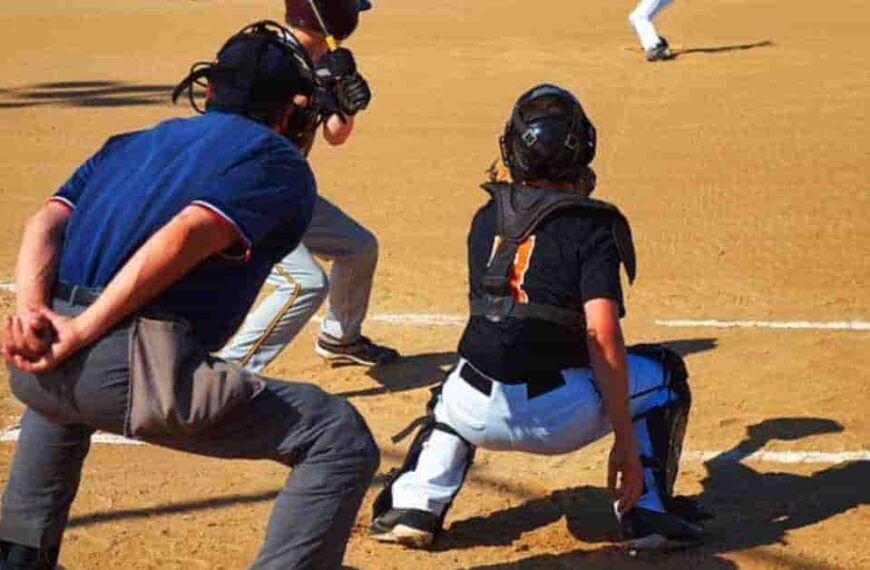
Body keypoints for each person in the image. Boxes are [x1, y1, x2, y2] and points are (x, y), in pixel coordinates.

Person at [0, 21, 379, 569]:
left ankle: (19, 553)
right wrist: (85, 329)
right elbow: (189, 231)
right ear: (292, 110)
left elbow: (47, 221)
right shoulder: (279, 162)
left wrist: (33, 313)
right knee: (337, 436)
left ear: (209, 91)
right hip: (135, 369)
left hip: (39, 362)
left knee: (61, 403)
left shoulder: (130, 142)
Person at [368, 84, 707, 550]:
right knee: (666, 373)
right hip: (558, 416)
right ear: (584, 148)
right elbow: (601, 333)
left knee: (453, 387)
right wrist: (624, 442)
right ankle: (647, 510)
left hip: (473, 408)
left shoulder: (487, 214)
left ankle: (414, 505)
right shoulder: (592, 224)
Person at [220, 0, 400, 371]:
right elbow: (236, 134)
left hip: (285, 191)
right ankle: (228, 375)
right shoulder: (264, 58)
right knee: (304, 283)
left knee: (358, 248)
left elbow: (336, 135)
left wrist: (346, 101)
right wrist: (309, 92)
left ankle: (340, 337)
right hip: (239, 196)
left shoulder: (329, 60)